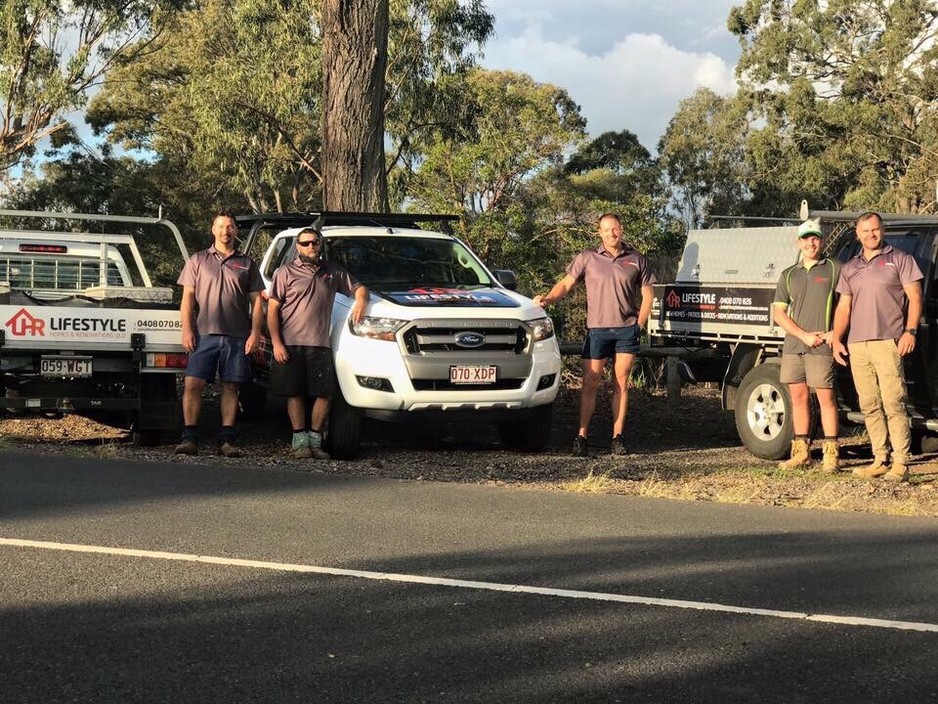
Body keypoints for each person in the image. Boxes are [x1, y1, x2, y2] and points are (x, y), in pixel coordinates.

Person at [533, 213, 656, 457]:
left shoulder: (636, 259)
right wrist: (547, 299)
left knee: (621, 382)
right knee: (590, 382)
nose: (612, 233)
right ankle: (582, 436)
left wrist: (638, 326)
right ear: (599, 232)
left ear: (621, 230)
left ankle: (617, 437)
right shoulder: (588, 257)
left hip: (626, 331)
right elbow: (566, 283)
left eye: (615, 229)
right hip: (598, 329)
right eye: (606, 230)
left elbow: (648, 295)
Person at [832, 211, 923, 482]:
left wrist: (910, 331)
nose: (871, 235)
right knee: (869, 404)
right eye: (866, 231)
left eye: (875, 230)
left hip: (888, 341)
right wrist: (837, 338)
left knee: (894, 402)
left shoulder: (900, 259)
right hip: (858, 344)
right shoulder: (850, 267)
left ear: (882, 231)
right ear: (857, 234)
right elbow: (844, 308)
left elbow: (915, 298)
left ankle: (900, 462)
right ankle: (879, 458)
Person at [267, 226, 369, 459]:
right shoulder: (284, 272)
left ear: (320, 244)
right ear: (297, 246)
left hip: (321, 343)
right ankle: (299, 442)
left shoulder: (332, 271)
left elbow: (358, 287)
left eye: (314, 242)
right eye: (305, 243)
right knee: (295, 393)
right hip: (291, 342)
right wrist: (277, 343)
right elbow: (273, 309)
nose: (311, 247)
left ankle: (315, 441)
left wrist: (361, 300)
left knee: (325, 394)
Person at [175, 211, 265, 457]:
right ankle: (189, 437)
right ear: (213, 230)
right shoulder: (198, 260)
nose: (226, 231)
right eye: (221, 226)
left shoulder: (246, 263)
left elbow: (257, 302)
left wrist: (255, 333)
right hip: (204, 335)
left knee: (231, 387)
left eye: (231, 227)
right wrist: (187, 330)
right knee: (193, 384)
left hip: (237, 337)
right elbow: (187, 299)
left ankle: (226, 439)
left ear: (236, 231)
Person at [771, 218, 841, 472]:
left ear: (822, 240)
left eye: (816, 238)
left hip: (822, 346)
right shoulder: (789, 274)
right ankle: (801, 453)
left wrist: (837, 332)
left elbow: (848, 305)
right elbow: (779, 314)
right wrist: (803, 336)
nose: (811, 243)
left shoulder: (834, 268)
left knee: (826, 397)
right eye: (806, 238)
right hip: (794, 347)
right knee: (798, 398)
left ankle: (831, 453)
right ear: (798, 242)